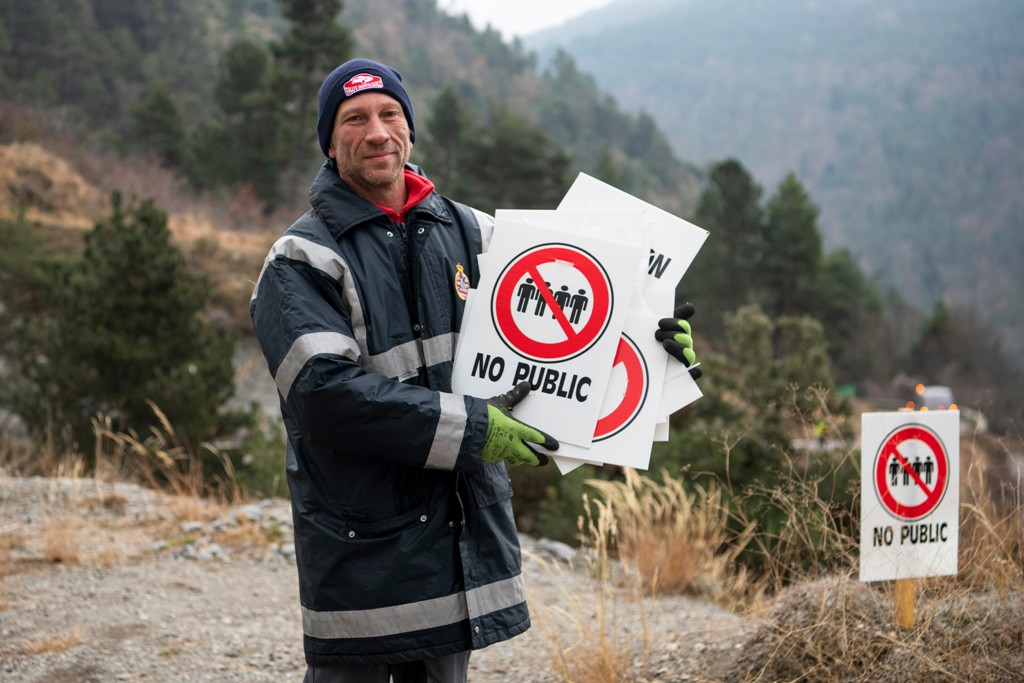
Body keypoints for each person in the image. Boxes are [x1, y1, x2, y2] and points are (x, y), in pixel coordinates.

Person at [250, 58, 700, 683]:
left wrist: (651, 349)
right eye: (354, 119)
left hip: (457, 538)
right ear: (330, 141)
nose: (377, 131)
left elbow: (566, 340)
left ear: (410, 130)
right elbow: (324, 395)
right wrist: (470, 430)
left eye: (390, 114)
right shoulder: (301, 259)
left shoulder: (472, 232)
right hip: (365, 551)